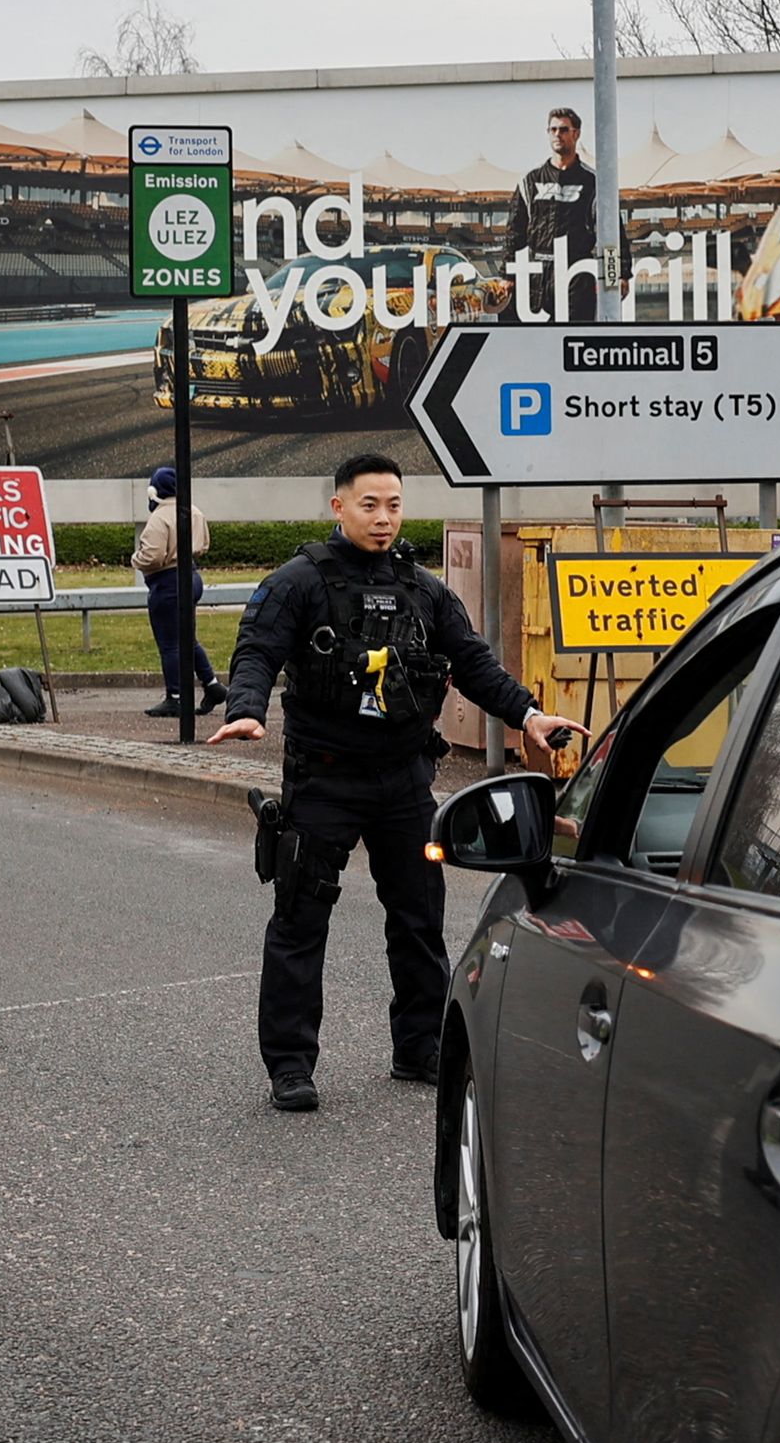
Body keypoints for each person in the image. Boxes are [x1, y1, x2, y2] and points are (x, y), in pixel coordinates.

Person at [208, 451, 575, 1112]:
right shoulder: (300, 581)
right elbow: (257, 648)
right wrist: (244, 710)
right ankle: (291, 1063)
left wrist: (527, 712)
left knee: (418, 918)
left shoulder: (424, 589)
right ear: (338, 506)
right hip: (323, 781)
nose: (383, 517)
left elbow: (473, 661)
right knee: (300, 918)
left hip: (405, 780)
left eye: (394, 505)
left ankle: (420, 1047)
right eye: (369, 504)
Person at [131, 463, 221, 719]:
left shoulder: (159, 517)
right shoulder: (193, 510)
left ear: (154, 491)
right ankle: (212, 684)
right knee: (188, 640)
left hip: (167, 582)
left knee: (169, 644)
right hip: (191, 577)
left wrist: (134, 559)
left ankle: (176, 697)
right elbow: (202, 545)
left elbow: (153, 556)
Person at [506, 104, 603, 323]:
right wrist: (507, 275)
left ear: (576, 134)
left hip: (577, 272)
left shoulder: (593, 182)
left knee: (576, 340)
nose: (557, 134)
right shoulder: (530, 181)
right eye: (553, 130)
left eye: (563, 129)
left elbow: (611, 230)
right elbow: (514, 230)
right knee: (535, 342)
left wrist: (621, 273)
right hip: (537, 273)